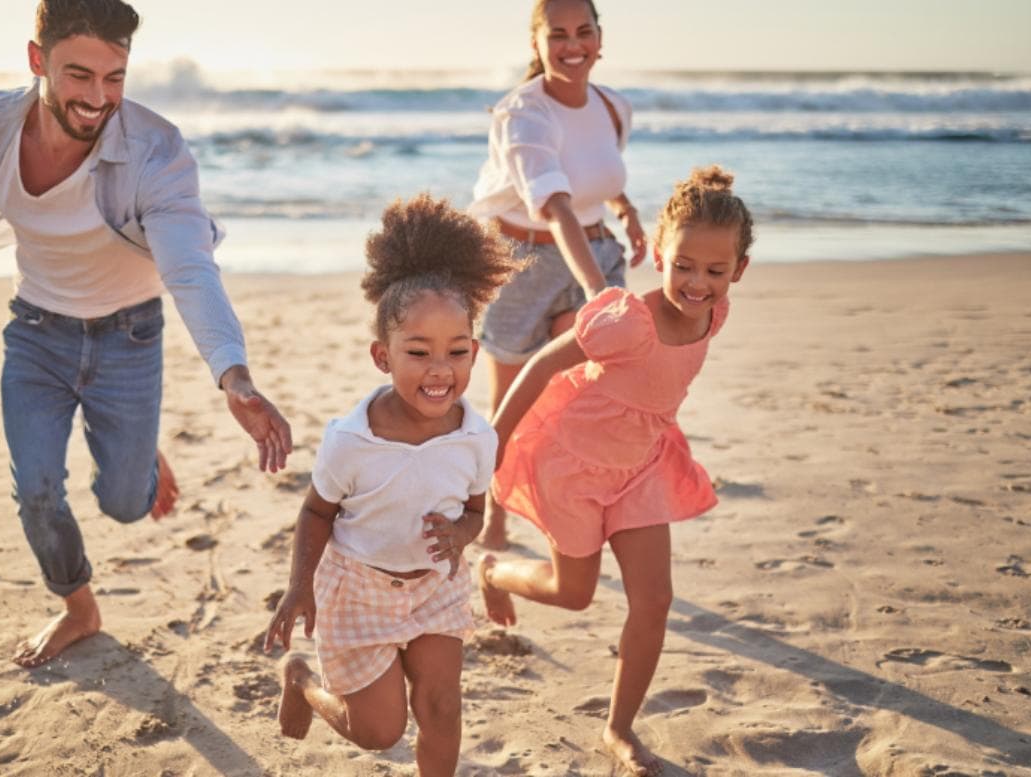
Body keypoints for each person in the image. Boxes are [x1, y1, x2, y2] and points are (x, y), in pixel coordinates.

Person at [0, 0, 291, 668]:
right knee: (35, 487)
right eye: (79, 75)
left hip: (130, 339)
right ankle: (78, 605)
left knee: (124, 503)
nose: (98, 98)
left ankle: (138, 452)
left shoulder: (155, 151)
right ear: (37, 61)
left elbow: (189, 266)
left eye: (114, 77)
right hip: (36, 333)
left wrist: (234, 376)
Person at [478, 166, 754, 777]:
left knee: (654, 600)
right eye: (683, 265)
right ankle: (494, 570)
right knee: (573, 594)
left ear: (738, 270)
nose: (697, 282)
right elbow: (541, 367)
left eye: (714, 270)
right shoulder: (626, 318)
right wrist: (493, 443)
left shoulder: (715, 314)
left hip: (641, 468)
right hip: (572, 468)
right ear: (658, 254)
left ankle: (618, 729)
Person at [263, 195, 520, 777]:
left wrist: (459, 535)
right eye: (418, 352)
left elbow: (477, 510)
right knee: (379, 732)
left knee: (442, 707)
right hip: (359, 589)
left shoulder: (477, 438)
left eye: (457, 352)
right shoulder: (351, 441)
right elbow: (315, 513)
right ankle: (302, 682)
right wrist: (299, 586)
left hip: (435, 588)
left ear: (475, 353)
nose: (439, 369)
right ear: (383, 355)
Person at [469, 0, 647, 551]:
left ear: (600, 38)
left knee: (577, 402)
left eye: (584, 32)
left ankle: (567, 517)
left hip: (592, 248)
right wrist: (598, 292)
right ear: (537, 45)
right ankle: (492, 513)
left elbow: (594, 169)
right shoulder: (522, 114)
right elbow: (556, 205)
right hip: (520, 261)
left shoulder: (613, 106)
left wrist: (626, 209)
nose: (574, 46)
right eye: (559, 35)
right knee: (514, 405)